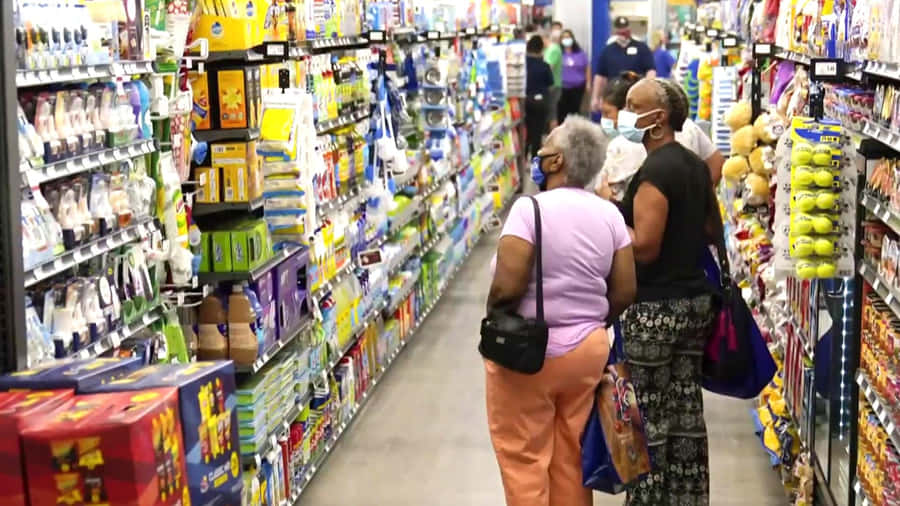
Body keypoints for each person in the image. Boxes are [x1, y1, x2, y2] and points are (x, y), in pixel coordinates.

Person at [485, 115, 637, 506]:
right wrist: (590, 322)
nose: (539, 153)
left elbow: (508, 285)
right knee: (572, 454)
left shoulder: (529, 210)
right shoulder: (610, 215)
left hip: (528, 354)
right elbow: (625, 289)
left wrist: (495, 321)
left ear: (557, 162)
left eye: (546, 147)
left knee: (524, 456)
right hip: (587, 351)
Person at [616, 77, 722, 506]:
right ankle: (687, 497)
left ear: (657, 119)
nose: (622, 113)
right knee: (685, 416)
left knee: (648, 417)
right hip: (695, 305)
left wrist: (608, 223)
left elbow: (644, 247)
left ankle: (647, 500)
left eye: (630, 104)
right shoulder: (695, 166)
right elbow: (713, 229)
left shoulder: (655, 171)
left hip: (655, 310)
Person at [593, 75, 725, 199]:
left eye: (632, 108)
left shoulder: (630, 153)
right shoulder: (690, 142)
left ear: (659, 115)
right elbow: (716, 160)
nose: (625, 114)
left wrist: (609, 201)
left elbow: (608, 193)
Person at [590, 17, 656, 115]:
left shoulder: (642, 48)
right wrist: (595, 97)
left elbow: (651, 71)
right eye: (620, 32)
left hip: (636, 95)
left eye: (625, 31)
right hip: (613, 96)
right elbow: (600, 76)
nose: (623, 35)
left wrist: (648, 90)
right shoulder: (608, 51)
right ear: (616, 32)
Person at [525, 35, 554, 161]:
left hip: (525, 101)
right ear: (541, 49)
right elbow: (550, 83)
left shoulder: (522, 65)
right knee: (537, 132)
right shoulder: (544, 66)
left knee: (525, 130)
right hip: (541, 102)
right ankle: (534, 160)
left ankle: (523, 157)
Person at [557, 29, 590, 123]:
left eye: (568, 37)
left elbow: (587, 68)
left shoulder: (580, 53)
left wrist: (588, 83)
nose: (566, 39)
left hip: (578, 88)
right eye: (564, 37)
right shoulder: (558, 53)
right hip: (562, 88)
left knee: (575, 111)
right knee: (562, 112)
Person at [544, 21, 564, 129]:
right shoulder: (551, 49)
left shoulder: (553, 49)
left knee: (552, 113)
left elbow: (548, 68)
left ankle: (553, 136)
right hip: (554, 84)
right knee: (552, 111)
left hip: (553, 85)